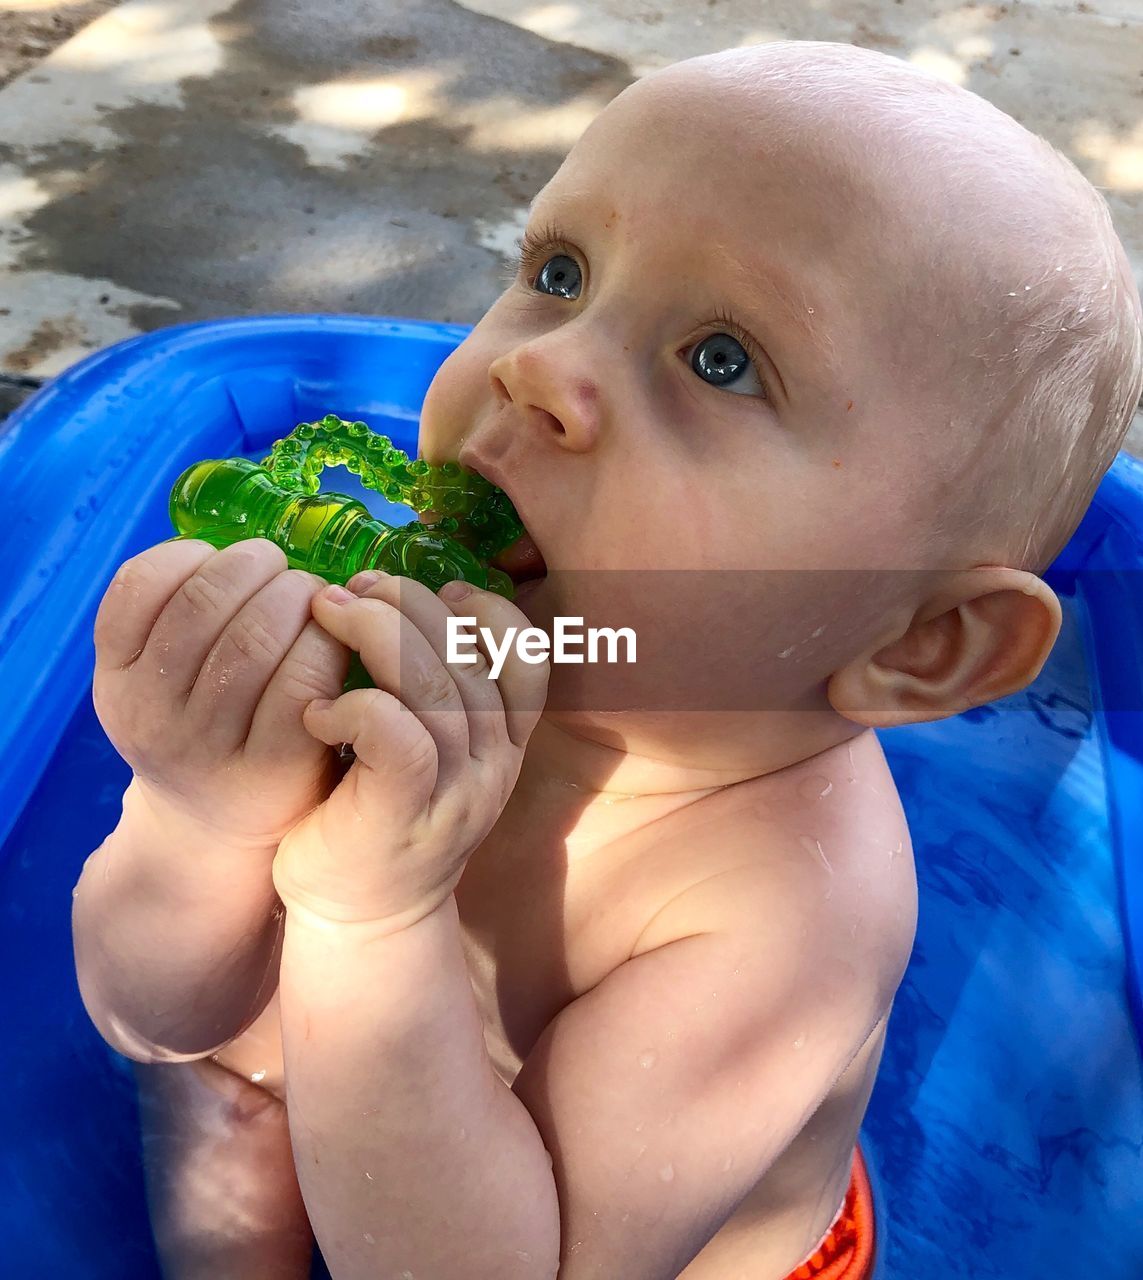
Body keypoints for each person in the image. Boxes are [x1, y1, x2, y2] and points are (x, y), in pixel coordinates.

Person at [72, 39, 1143, 1280]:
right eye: (559, 270)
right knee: (213, 1077)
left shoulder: (788, 904)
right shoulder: (399, 636)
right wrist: (200, 810)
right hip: (387, 1103)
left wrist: (373, 914)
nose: (539, 368)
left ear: (919, 645)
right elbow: (146, 1018)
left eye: (723, 360)